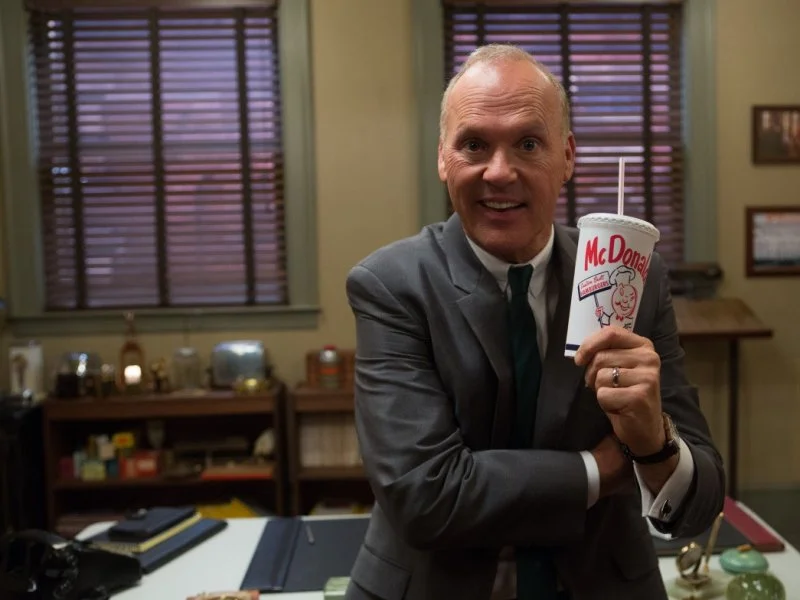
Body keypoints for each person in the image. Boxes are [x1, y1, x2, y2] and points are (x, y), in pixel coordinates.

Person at [344, 44, 724, 600]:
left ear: (567, 157)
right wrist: (600, 470)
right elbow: (425, 498)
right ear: (443, 159)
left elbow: (700, 503)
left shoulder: (631, 277)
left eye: (527, 143)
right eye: (474, 144)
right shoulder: (391, 285)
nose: (499, 172)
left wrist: (654, 443)